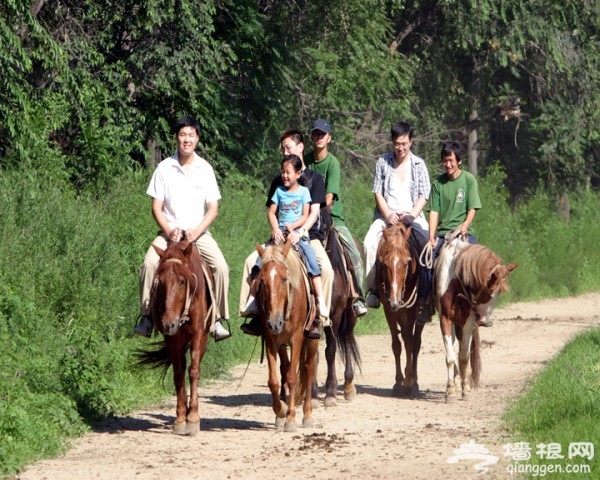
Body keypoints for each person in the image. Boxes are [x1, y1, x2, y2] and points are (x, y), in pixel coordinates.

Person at [134, 116, 232, 341]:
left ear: (197, 139)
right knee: (149, 264)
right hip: (169, 235)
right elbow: (156, 207)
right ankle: (147, 316)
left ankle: (217, 318)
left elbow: (213, 209)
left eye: (191, 135)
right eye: (182, 135)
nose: (186, 140)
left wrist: (196, 232)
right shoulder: (164, 167)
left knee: (221, 267)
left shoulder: (205, 169)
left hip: (198, 235)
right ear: (176, 138)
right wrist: (168, 230)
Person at [239, 130, 334, 339]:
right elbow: (271, 211)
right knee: (250, 262)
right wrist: (275, 231)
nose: (284, 151)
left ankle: (318, 317)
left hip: (309, 235)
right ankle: (255, 313)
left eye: (288, 147)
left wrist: (300, 233)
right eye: (282, 148)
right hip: (279, 237)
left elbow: (314, 212)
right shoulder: (278, 182)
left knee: (326, 269)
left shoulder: (315, 179)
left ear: (300, 147)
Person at [363, 121, 433, 324]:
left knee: (428, 249)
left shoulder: (419, 165)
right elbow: (377, 191)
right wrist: (387, 213)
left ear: (410, 142)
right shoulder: (382, 162)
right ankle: (373, 291)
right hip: (387, 219)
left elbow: (424, 194)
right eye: (396, 143)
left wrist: (412, 214)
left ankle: (426, 296)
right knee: (368, 243)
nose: (400, 147)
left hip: (413, 217)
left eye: (404, 143)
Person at [304, 119, 368, 317]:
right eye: (316, 134)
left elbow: (330, 198)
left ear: (329, 138)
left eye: (322, 134)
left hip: (332, 219)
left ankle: (357, 295)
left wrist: (317, 211)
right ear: (311, 137)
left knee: (355, 253)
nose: (319, 138)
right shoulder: (305, 160)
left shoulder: (333, 163)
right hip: (304, 219)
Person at [427, 141, 489, 327]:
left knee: (478, 264)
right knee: (425, 264)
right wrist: (431, 236)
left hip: (464, 233)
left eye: (451, 161)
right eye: (445, 161)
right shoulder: (438, 183)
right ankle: (426, 303)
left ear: (459, 161)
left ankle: (480, 308)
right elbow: (434, 212)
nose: (448, 165)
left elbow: (472, 208)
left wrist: (465, 225)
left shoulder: (469, 180)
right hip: (443, 235)